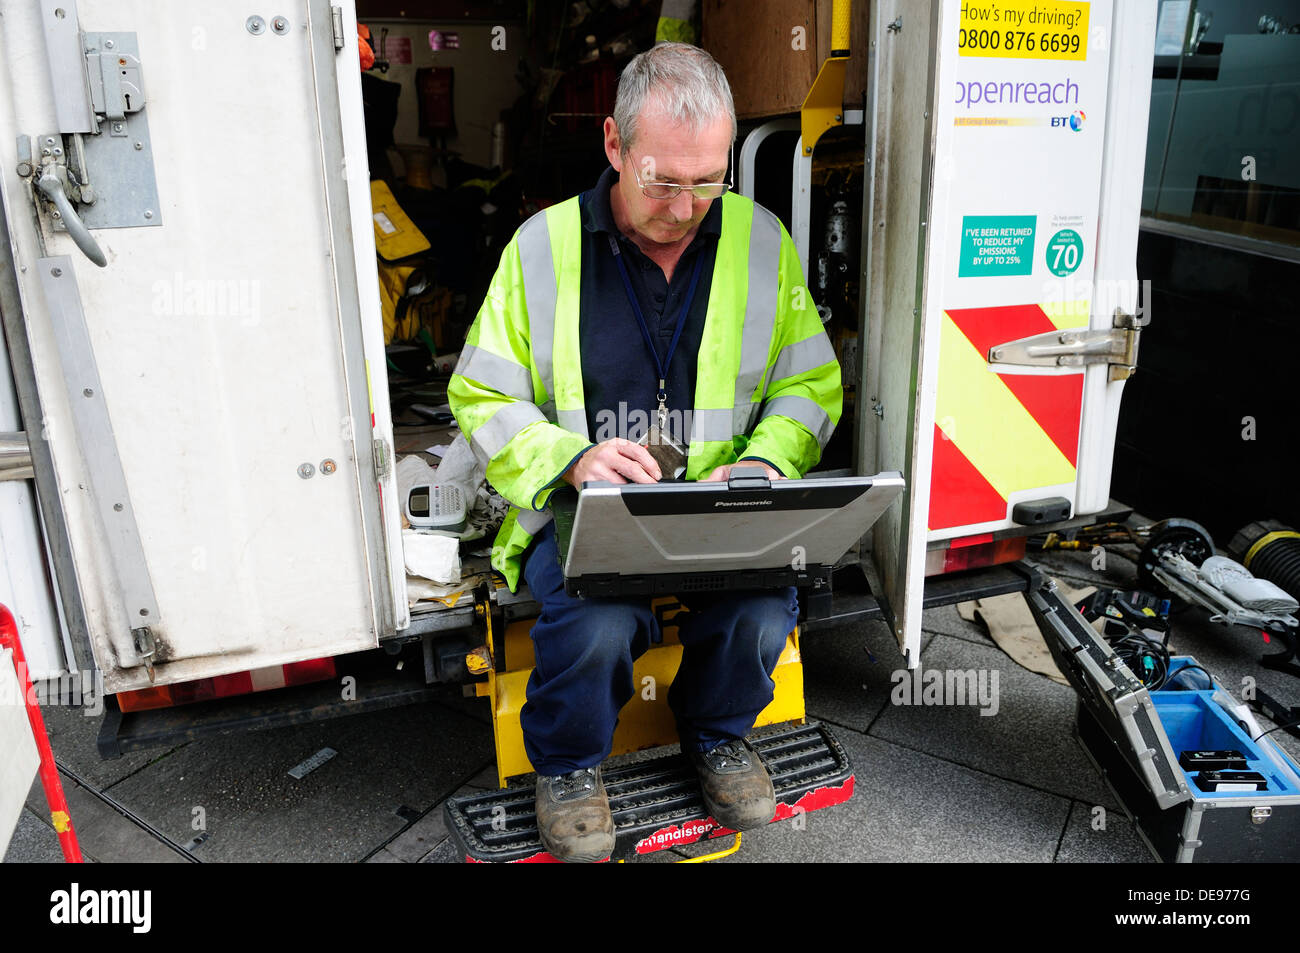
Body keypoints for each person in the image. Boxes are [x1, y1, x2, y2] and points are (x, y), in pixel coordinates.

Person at [448, 42, 842, 863]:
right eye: (664, 180)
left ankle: (719, 737)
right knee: (594, 627)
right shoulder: (539, 247)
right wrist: (568, 457)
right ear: (614, 146)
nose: (687, 204)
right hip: (588, 511)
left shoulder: (763, 240)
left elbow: (810, 383)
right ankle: (567, 766)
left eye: (710, 179)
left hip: (724, 508)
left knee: (764, 612)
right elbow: (482, 391)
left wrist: (768, 463)